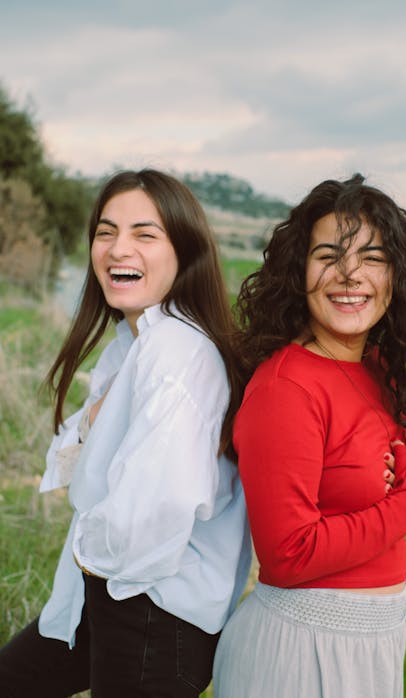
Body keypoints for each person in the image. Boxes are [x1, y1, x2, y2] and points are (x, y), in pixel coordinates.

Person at [213, 174, 406, 698]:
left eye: (372, 257)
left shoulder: (379, 369)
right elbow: (288, 553)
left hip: (371, 643)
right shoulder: (286, 387)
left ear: (398, 275)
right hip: (300, 653)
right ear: (298, 272)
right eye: (328, 255)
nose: (350, 274)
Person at [0, 169, 251, 698]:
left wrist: (91, 556)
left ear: (185, 252)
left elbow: (154, 508)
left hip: (152, 616)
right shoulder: (131, 344)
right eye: (106, 231)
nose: (118, 249)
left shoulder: (175, 352)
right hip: (109, 599)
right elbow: (70, 456)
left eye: (144, 233)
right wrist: (94, 427)